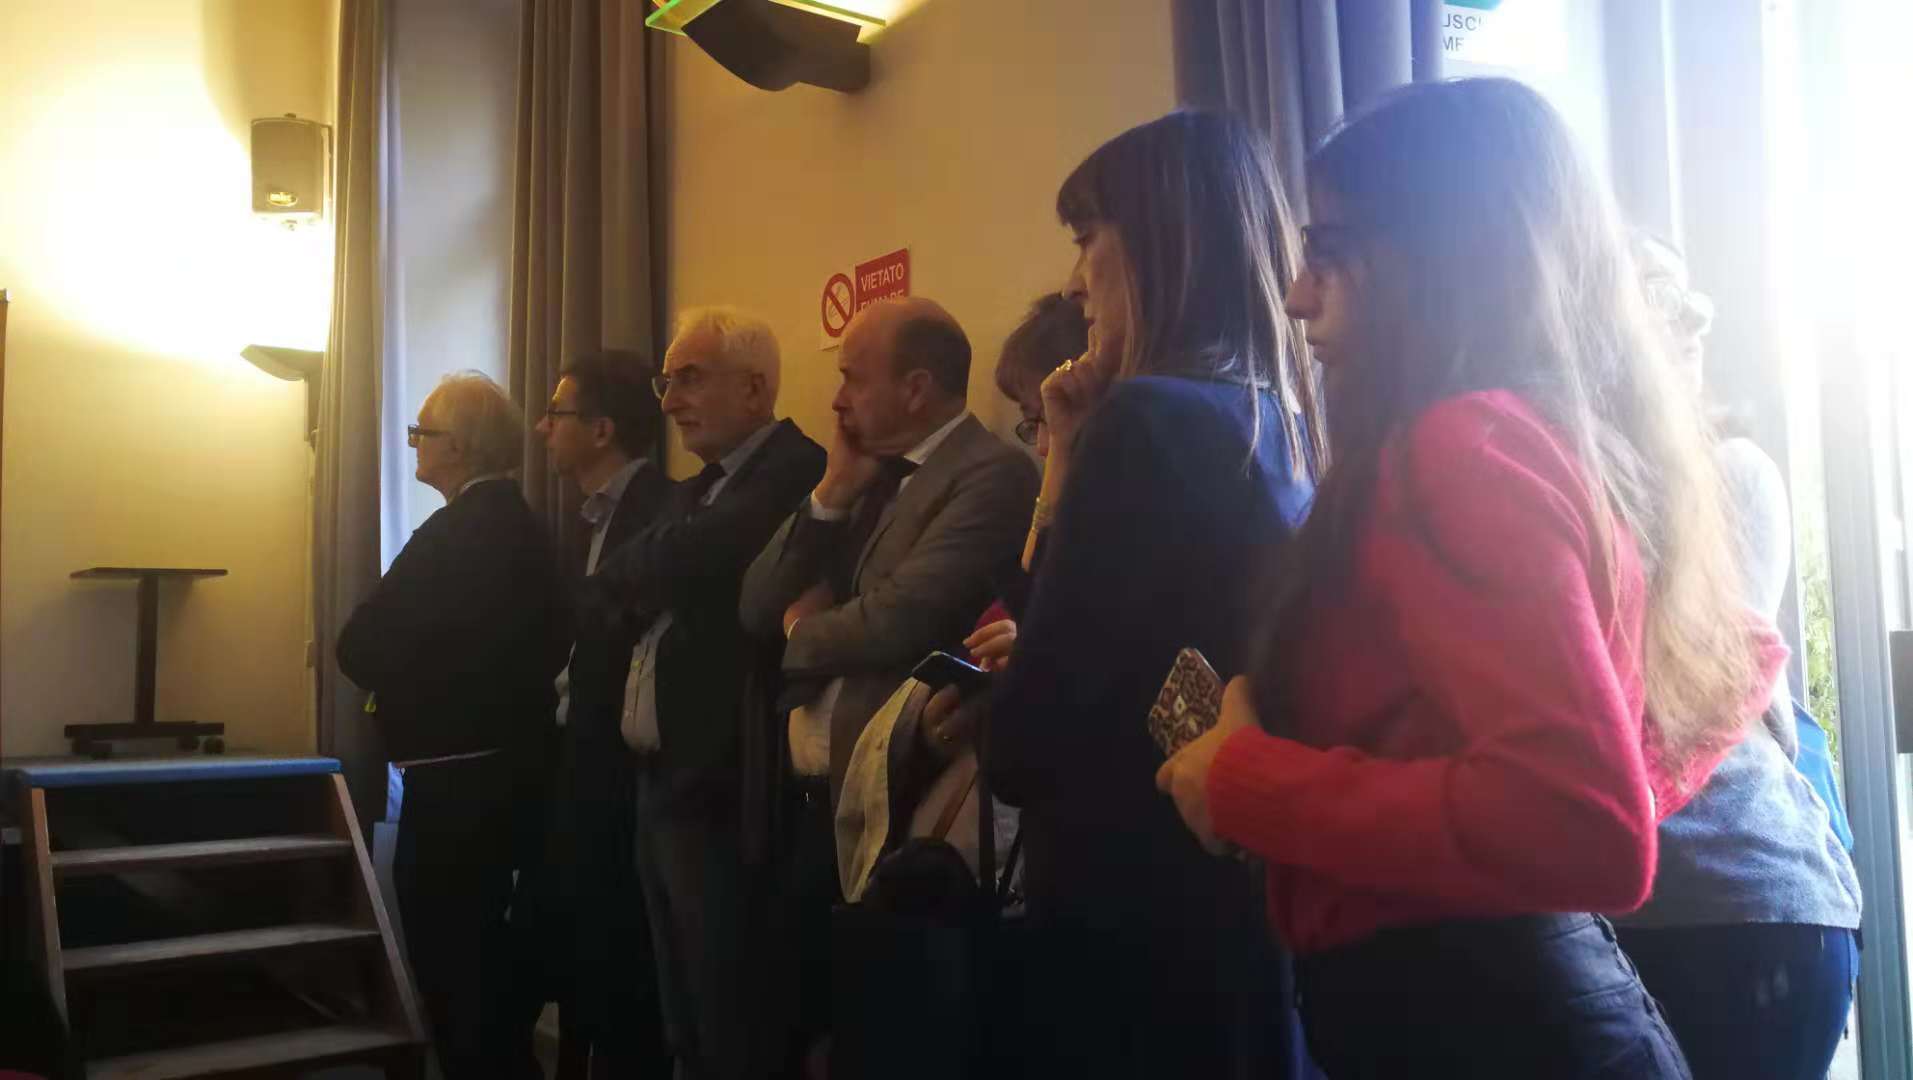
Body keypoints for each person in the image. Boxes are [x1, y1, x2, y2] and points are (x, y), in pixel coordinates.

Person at [1154, 78, 1784, 1078]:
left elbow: (1581, 823)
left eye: (1327, 248)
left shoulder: (1460, 447)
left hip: (1484, 1018)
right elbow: (1720, 684)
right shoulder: (1537, 436)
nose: (1296, 293)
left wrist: (1244, 780)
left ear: (1435, 254)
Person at [981, 110, 1323, 1079]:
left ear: (1165, 238)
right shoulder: (1277, 416)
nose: (1073, 279)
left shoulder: (1148, 419)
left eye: (1087, 235)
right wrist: (1064, 451)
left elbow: (1023, 742)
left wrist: (1068, 463)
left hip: (1131, 925)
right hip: (1235, 917)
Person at [738, 296, 1038, 1068]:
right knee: (777, 1021)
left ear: (915, 388)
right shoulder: (863, 474)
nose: (836, 399)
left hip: (888, 802)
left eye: (852, 378)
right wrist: (831, 494)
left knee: (861, 1037)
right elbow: (755, 603)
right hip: (803, 796)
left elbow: (902, 620)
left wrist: (802, 633)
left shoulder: (992, 473)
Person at [1610, 234, 1861, 1080]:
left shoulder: (1731, 476)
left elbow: (1681, 696)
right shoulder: (1558, 482)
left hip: (1746, 903)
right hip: (1634, 913)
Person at [589, 308, 826, 1080]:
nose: (668, 401)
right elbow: (619, 583)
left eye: (689, 379)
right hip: (658, 779)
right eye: (667, 381)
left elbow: (698, 557)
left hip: (723, 783)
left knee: (733, 1017)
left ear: (754, 389)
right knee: (682, 1018)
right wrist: (668, 563)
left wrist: (667, 564)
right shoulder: (694, 490)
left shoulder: (795, 468)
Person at [336, 371, 566, 1079]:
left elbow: (359, 645)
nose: (414, 444)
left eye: (422, 432)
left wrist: (401, 681)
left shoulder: (454, 532)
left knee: (453, 971)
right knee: (485, 972)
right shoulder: (523, 526)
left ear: (459, 447)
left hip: (455, 785)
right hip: (516, 770)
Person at [514, 350, 672, 1077]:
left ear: (603, 429)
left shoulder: (663, 512)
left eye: (558, 412)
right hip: (576, 760)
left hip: (623, 772)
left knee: (621, 970)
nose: (542, 426)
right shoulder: (580, 520)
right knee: (574, 958)